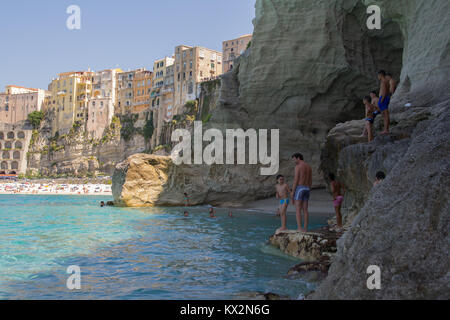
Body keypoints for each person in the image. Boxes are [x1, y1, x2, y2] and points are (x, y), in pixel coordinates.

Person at [291, 153, 313, 232]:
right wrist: (309, 188)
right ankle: (305, 228)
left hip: (300, 188)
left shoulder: (298, 166)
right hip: (307, 188)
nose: (293, 161)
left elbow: (296, 180)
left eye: (294, 159)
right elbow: (310, 179)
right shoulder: (309, 166)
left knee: (298, 209)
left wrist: (293, 192)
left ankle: (299, 228)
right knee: (305, 210)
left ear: (298, 158)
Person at [378, 70, 391, 135]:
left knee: (385, 115)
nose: (378, 77)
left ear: (381, 75)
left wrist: (381, 100)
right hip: (385, 98)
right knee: (385, 115)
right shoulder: (386, 81)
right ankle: (386, 129)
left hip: (383, 98)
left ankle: (386, 130)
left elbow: (384, 91)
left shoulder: (383, 81)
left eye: (378, 75)